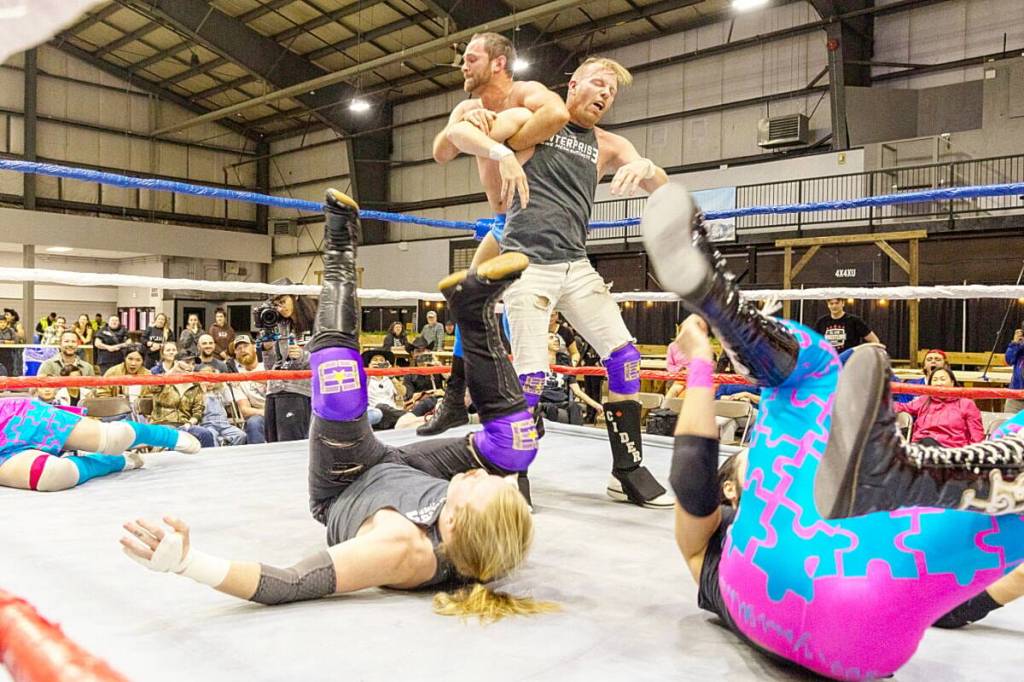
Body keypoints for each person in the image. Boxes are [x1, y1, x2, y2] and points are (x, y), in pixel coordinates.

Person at [643, 182, 1024, 681]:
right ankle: (723, 305)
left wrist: (698, 368)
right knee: (820, 370)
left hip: (803, 606)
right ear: (734, 485)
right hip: (869, 611)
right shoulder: (741, 518)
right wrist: (699, 364)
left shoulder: (710, 556)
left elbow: (692, 480)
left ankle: (916, 473)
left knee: (821, 373)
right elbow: (694, 476)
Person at [120, 189, 553, 620]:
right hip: (405, 471)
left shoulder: (399, 550)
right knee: (518, 446)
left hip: (346, 478)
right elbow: (499, 517)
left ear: (453, 523)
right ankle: (474, 313)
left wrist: (186, 563)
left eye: (480, 484)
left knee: (341, 385)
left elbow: (291, 582)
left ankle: (341, 247)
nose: (479, 473)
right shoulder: (491, 539)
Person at [443, 56, 672, 509]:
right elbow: (459, 137)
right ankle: (513, 474)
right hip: (529, 264)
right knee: (529, 379)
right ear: (574, 84)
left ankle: (626, 470)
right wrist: (489, 137)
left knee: (625, 359)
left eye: (613, 92)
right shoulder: (537, 122)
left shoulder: (609, 144)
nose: (606, 95)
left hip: (576, 266)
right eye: (600, 84)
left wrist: (646, 167)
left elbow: (662, 186)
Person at [420, 31, 573, 439]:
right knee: (467, 299)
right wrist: (480, 132)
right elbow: (442, 150)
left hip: (536, 224)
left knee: (522, 315)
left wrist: (507, 134)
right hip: (503, 223)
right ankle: (456, 400)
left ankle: (525, 404)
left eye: (471, 58)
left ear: (498, 62)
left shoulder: (525, 94)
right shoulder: (468, 106)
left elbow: (557, 114)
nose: (463, 66)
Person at [0, 396, 200, 491]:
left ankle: (162, 435)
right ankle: (113, 462)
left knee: (113, 437)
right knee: (52, 476)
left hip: (12, 419)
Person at [261, 281, 316, 442]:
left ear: (295, 295)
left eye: (283, 302)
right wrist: (267, 349)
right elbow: (270, 367)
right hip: (274, 390)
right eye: (276, 305)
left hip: (298, 390)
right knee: (272, 442)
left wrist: (302, 355)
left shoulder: (316, 324)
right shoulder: (277, 325)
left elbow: (325, 360)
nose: (280, 308)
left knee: (291, 443)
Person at [894, 367, 984, 447]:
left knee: (927, 442)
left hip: (950, 452)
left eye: (942, 379)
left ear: (952, 382)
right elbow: (901, 407)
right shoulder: (923, 400)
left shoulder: (966, 404)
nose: (939, 383)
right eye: (935, 380)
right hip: (920, 448)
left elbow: (977, 436)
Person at [144, 359, 217, 449]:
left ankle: (207, 461)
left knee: (205, 434)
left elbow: (198, 411)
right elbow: (151, 387)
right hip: (162, 423)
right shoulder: (165, 380)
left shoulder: (196, 386)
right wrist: (172, 371)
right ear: (177, 362)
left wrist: (189, 424)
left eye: (193, 364)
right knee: (174, 436)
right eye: (187, 362)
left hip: (184, 425)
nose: (190, 366)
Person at [538, 333, 601, 425]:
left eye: (557, 338)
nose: (556, 340)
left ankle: (578, 435)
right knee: (550, 409)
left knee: (575, 407)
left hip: (561, 401)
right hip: (543, 401)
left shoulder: (565, 361)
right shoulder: (536, 362)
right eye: (551, 338)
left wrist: (596, 405)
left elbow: (577, 391)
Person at [227, 335, 266, 445]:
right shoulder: (237, 377)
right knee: (253, 423)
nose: (243, 350)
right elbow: (245, 410)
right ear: (235, 353)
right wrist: (266, 413)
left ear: (254, 347)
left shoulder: (267, 364)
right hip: (259, 413)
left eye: (245, 346)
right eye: (239, 348)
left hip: (280, 407)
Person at [196, 366, 247, 446]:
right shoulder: (199, 394)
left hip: (224, 424)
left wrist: (225, 383)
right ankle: (217, 452)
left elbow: (231, 399)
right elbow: (199, 409)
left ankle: (227, 445)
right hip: (208, 424)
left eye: (212, 380)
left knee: (241, 435)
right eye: (206, 380)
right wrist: (203, 392)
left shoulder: (220, 392)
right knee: (211, 436)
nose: (210, 383)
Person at [813, 298, 881, 355]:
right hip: (829, 363)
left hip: (849, 364)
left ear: (843, 303)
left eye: (837, 303)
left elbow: (874, 340)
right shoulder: (821, 322)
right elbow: (813, 343)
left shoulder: (854, 321)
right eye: (831, 303)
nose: (834, 306)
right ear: (828, 305)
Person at [1007, 326, 1024, 413]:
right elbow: (1009, 360)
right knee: (1009, 425)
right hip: (1015, 396)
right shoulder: (1020, 346)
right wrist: (1014, 343)